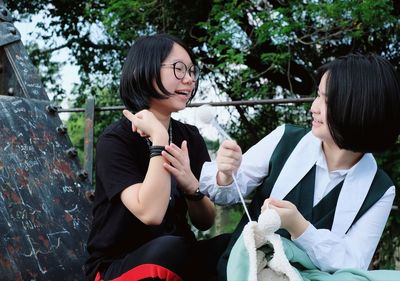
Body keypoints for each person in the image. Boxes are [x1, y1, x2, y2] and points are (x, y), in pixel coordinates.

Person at [199, 53, 400, 280]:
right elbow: (222, 193)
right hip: (244, 270)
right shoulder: (285, 139)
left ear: (357, 108)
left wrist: (299, 227)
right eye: (317, 95)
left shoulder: (380, 189)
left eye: (326, 100)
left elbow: (354, 263)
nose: (313, 107)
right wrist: (226, 174)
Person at [85, 33, 229, 281]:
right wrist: (160, 141)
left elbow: (205, 221)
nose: (189, 79)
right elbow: (150, 214)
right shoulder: (116, 140)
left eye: (192, 71)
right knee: (171, 248)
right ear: (146, 71)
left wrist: (191, 187)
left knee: (234, 245)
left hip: (178, 256)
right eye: (179, 69)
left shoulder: (189, 136)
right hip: (117, 266)